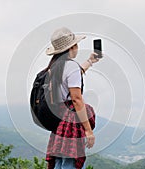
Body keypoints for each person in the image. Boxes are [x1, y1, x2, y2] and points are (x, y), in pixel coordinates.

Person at [44, 27, 101, 169]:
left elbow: (73, 75)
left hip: (59, 121)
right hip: (71, 123)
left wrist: (90, 61)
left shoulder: (54, 67)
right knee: (69, 162)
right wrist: (88, 130)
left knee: (59, 162)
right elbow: (76, 100)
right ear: (72, 46)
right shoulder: (71, 67)